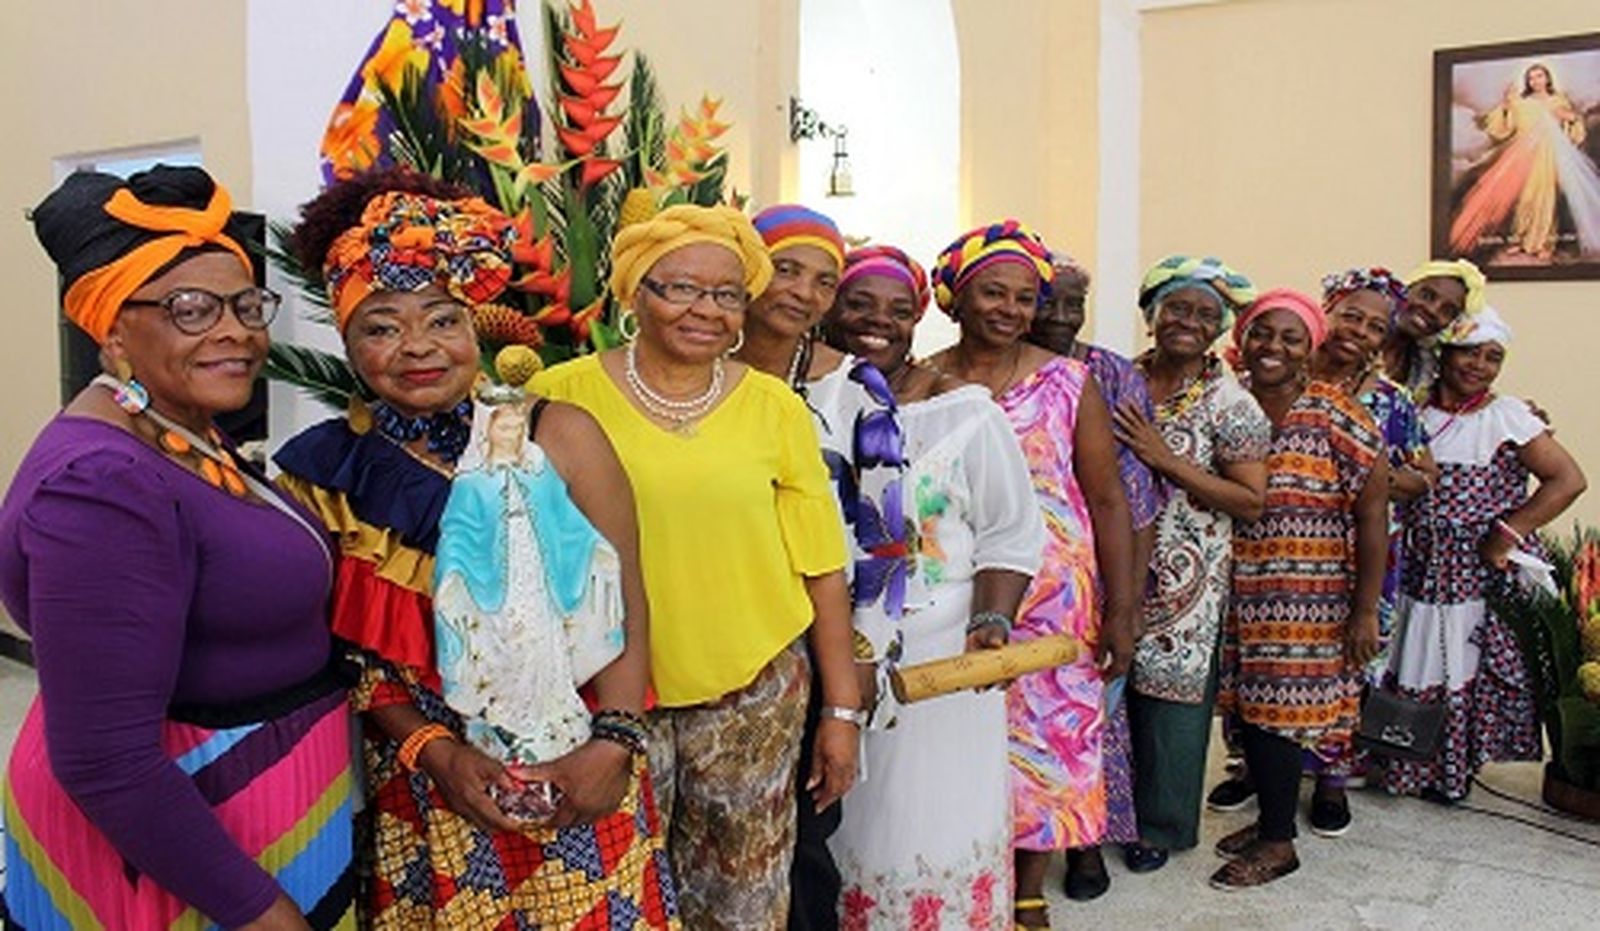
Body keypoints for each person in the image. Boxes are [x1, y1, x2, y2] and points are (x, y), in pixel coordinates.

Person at [276, 167, 673, 928]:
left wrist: (615, 744)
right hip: (427, 781)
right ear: (346, 341)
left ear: (474, 327)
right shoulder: (324, 471)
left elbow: (624, 595)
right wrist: (438, 753)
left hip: (577, 756)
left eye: (442, 320)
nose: (417, 347)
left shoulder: (560, 433)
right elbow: (352, 658)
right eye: (381, 327)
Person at [1, 166, 352, 929]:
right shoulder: (101, 486)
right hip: (177, 867)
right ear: (112, 329)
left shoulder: (180, 430)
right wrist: (264, 914)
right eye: (190, 308)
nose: (236, 330)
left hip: (256, 822)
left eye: (246, 304)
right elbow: (106, 760)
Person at [531, 204, 862, 930]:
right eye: (680, 288)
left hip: (752, 695)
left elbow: (821, 568)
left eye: (725, 294)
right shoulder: (560, 396)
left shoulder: (774, 407)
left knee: (742, 901)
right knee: (613, 895)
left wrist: (841, 712)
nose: (705, 310)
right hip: (609, 698)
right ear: (634, 293)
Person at [823, 245, 1046, 928]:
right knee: (849, 813)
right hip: (831, 649)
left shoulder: (964, 411)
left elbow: (1011, 530)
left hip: (943, 656)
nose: (878, 321)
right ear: (830, 308)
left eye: (898, 310)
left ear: (918, 319)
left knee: (933, 813)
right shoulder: (806, 402)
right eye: (860, 303)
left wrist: (993, 624)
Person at [924, 220, 1135, 931]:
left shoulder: (1069, 381)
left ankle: (1028, 892)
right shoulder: (923, 380)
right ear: (955, 296)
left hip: (1054, 596)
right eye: (994, 292)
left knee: (1046, 742)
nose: (1010, 309)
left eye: (1023, 297)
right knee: (957, 732)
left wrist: (1122, 609)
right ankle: (960, 874)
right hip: (952, 589)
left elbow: (1108, 498)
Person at [737, 203, 884, 931]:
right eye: (785, 269)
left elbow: (887, 534)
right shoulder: (690, 369)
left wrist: (861, 661)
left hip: (815, 638)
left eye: (824, 281)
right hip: (707, 630)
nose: (802, 291)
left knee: (804, 832)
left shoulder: (855, 389)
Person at [1211, 289, 1388, 890]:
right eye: (1262, 333)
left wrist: (1365, 610)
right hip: (1235, 591)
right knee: (1252, 715)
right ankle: (1270, 818)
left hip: (1307, 597)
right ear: (1242, 339)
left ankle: (1278, 843)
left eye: (1291, 338)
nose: (1274, 347)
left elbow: (1373, 513)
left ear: (1310, 347)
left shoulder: (1336, 412)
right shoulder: (1227, 402)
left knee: (1282, 716)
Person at [1379, 306, 1587, 802]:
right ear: (1444, 352)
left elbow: (1568, 480)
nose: (1480, 365)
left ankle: (1449, 773)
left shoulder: (1508, 416)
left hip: (1473, 569)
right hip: (1416, 560)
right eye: (1470, 352)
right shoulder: (1412, 410)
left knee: (1457, 665)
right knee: (1411, 656)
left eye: (1493, 357)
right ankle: (1399, 763)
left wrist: (1508, 533)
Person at [1111, 255, 1269, 871]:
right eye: (1177, 308)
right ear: (1152, 315)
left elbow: (1251, 501)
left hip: (1187, 578)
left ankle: (1161, 826)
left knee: (1169, 706)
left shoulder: (1231, 403)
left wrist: (1165, 459)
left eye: (1206, 314)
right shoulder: (1117, 380)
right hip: (1110, 564)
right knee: (1108, 692)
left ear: (1220, 328)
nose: (1189, 322)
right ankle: (1104, 815)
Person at [1026, 253, 1164, 899]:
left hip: (1090, 570)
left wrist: (1125, 602)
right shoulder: (982, 368)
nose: (1058, 316)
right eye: (1045, 301)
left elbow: (1131, 496)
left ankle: (1085, 845)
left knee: (1085, 714)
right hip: (1006, 579)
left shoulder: (1109, 373)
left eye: (1072, 304)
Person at [1449, 62, 1600, 260]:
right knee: (1524, 199)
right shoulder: (1522, 102)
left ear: (1547, 78)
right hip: (1523, 154)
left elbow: (1574, 128)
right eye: (1531, 77)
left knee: (1545, 197)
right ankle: (1522, 241)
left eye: (1539, 76)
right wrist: (1506, 106)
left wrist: (1571, 119)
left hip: (1549, 154)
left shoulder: (1558, 100)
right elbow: (1505, 127)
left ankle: (1544, 243)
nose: (1535, 81)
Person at [1380, 259, 1486, 401]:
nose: (1432, 310)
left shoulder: (1424, 370)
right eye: (1426, 296)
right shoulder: (1359, 336)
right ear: (1407, 288)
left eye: (1447, 311)